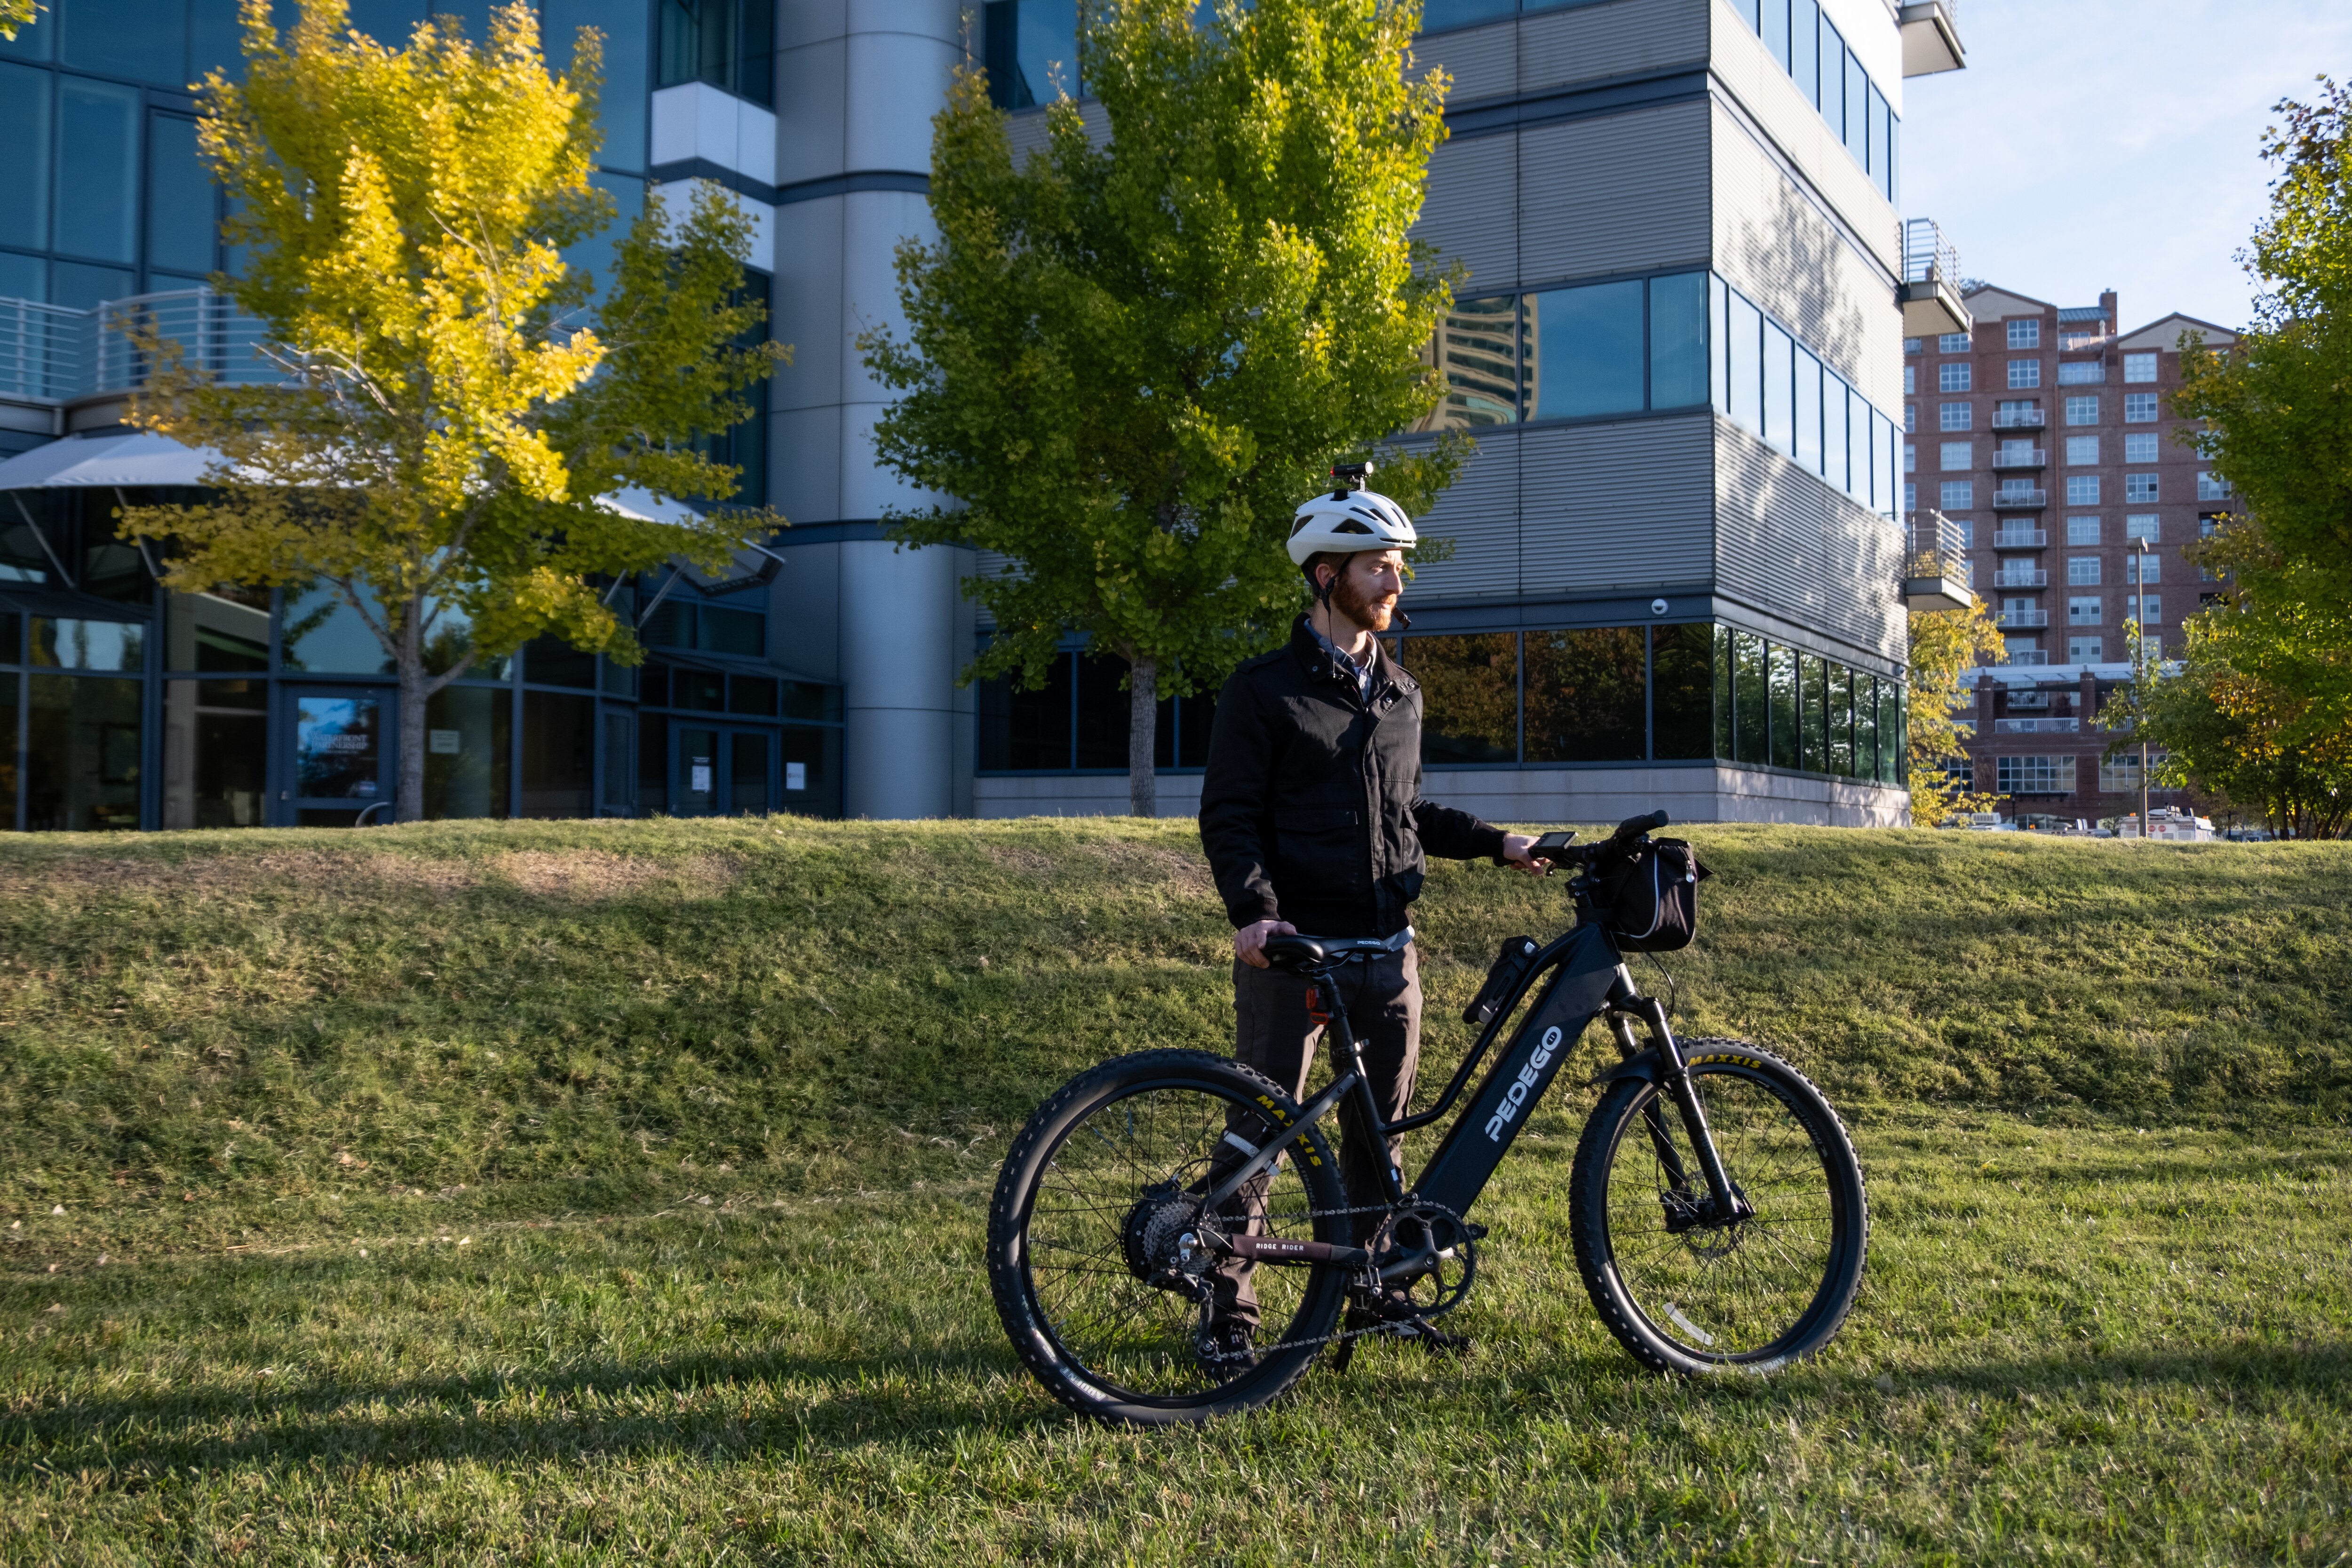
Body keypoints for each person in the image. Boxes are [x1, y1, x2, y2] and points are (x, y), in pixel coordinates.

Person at [1195, 469, 1540, 1366]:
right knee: (1260, 1138)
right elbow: (1229, 816)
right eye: (1379, 565)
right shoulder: (1262, 690)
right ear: (1327, 575)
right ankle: (1229, 1314)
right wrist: (1255, 914)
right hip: (1295, 957)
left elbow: (1408, 812)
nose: (1395, 580)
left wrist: (1498, 842)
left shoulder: (1400, 692)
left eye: (1398, 566)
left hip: (1390, 957)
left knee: (1377, 1143)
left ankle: (1370, 1293)